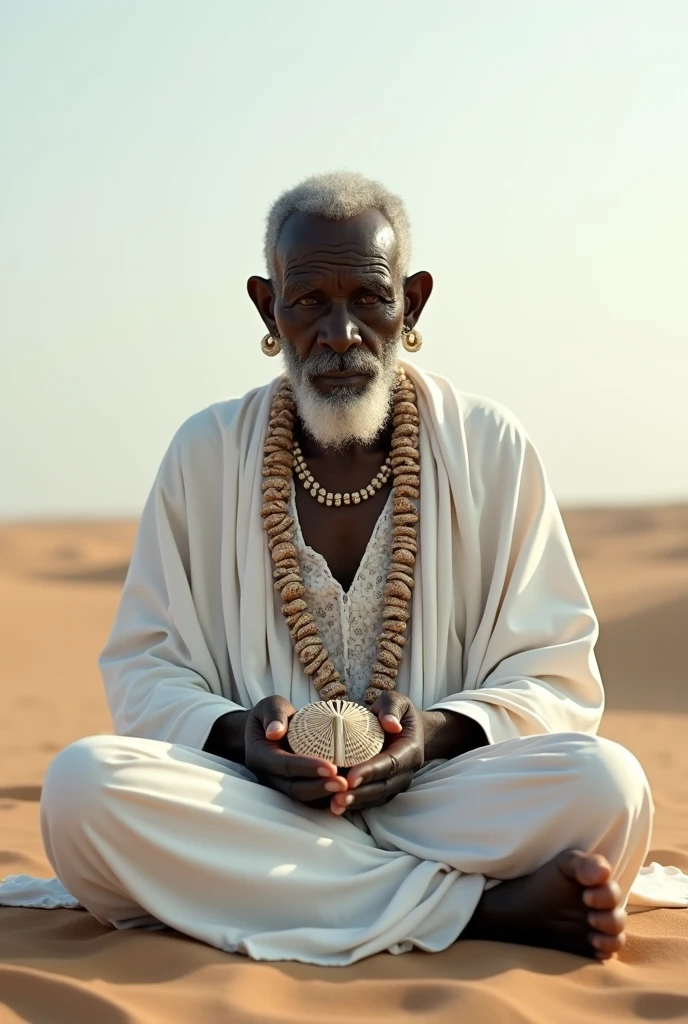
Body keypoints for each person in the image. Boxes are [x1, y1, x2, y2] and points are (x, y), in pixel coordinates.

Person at [3, 171, 686, 966]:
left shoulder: (489, 445)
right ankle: (483, 913)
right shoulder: (205, 454)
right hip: (259, 802)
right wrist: (240, 739)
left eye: (368, 298)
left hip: (441, 797)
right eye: (309, 302)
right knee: (84, 792)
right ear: (267, 308)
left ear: (413, 304)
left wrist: (433, 735)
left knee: (609, 787)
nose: (340, 332)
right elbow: (146, 670)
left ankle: (320, 894)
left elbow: (557, 674)